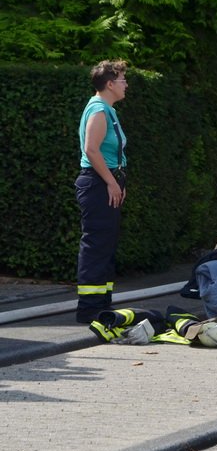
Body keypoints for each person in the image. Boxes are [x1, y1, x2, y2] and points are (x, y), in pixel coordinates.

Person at [75, 60, 129, 324]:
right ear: (109, 84)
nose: (126, 84)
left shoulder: (107, 109)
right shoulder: (98, 108)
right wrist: (110, 181)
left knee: (105, 245)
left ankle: (101, 305)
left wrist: (118, 181)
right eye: (122, 80)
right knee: (96, 245)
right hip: (97, 183)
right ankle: (89, 309)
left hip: (105, 181)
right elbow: (91, 149)